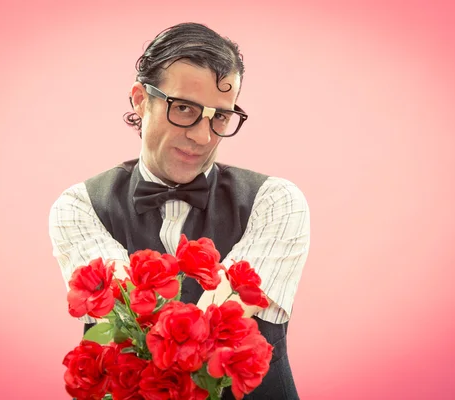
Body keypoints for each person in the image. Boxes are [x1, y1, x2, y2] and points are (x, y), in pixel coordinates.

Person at [49, 22, 310, 399]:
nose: (203, 137)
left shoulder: (277, 201)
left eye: (219, 117)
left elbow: (225, 313)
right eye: (184, 108)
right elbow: (129, 319)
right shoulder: (78, 206)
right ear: (140, 99)